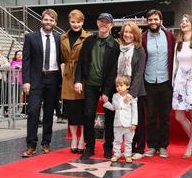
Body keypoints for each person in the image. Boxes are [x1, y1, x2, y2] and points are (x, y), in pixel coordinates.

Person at [74, 13, 120, 160]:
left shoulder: (115, 45)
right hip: (90, 85)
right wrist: (78, 80)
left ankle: (108, 148)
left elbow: (114, 70)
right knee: (88, 116)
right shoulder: (89, 41)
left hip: (108, 86)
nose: (104, 24)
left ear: (111, 25)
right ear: (97, 23)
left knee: (109, 118)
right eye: (101, 22)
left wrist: (106, 91)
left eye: (107, 22)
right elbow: (81, 62)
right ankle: (90, 147)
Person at [22, 9, 61, 157]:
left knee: (49, 113)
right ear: (42, 20)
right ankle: (31, 145)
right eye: (46, 19)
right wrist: (26, 81)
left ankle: (46, 143)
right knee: (33, 111)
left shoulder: (59, 38)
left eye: (51, 20)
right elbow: (26, 61)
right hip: (35, 80)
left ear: (55, 23)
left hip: (53, 79)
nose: (48, 22)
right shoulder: (31, 37)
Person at [142, 9, 175, 158]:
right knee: (150, 116)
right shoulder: (142, 38)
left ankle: (163, 146)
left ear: (161, 20)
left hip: (165, 81)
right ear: (147, 21)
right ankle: (152, 146)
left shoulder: (169, 37)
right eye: (150, 19)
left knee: (164, 117)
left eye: (156, 19)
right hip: (148, 82)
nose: (153, 22)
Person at [171, 14, 192, 158]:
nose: (183, 23)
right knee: (178, 115)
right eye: (182, 21)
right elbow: (175, 65)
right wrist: (173, 82)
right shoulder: (178, 44)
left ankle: (190, 146)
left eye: (186, 21)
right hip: (180, 81)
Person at [60, 9, 90, 154]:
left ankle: (82, 138)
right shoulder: (63, 37)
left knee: (82, 110)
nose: (76, 24)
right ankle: (73, 138)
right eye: (73, 22)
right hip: (67, 76)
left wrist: (81, 78)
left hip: (82, 77)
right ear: (69, 21)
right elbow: (61, 57)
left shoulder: (88, 37)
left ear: (83, 22)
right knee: (71, 111)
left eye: (78, 22)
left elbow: (87, 60)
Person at [116, 22, 146, 160]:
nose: (127, 35)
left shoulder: (139, 50)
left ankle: (139, 148)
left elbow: (139, 73)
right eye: (125, 32)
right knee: (125, 122)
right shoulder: (120, 49)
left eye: (130, 32)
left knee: (136, 121)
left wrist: (131, 93)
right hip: (120, 90)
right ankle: (129, 149)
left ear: (135, 34)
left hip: (135, 92)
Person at [103, 75, 138, 163]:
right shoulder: (115, 96)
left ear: (128, 86)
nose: (119, 88)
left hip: (128, 124)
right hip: (117, 123)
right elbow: (114, 108)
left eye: (121, 85)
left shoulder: (132, 97)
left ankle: (128, 155)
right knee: (117, 140)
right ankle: (116, 154)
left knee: (128, 141)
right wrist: (106, 102)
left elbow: (134, 111)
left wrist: (134, 123)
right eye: (117, 86)